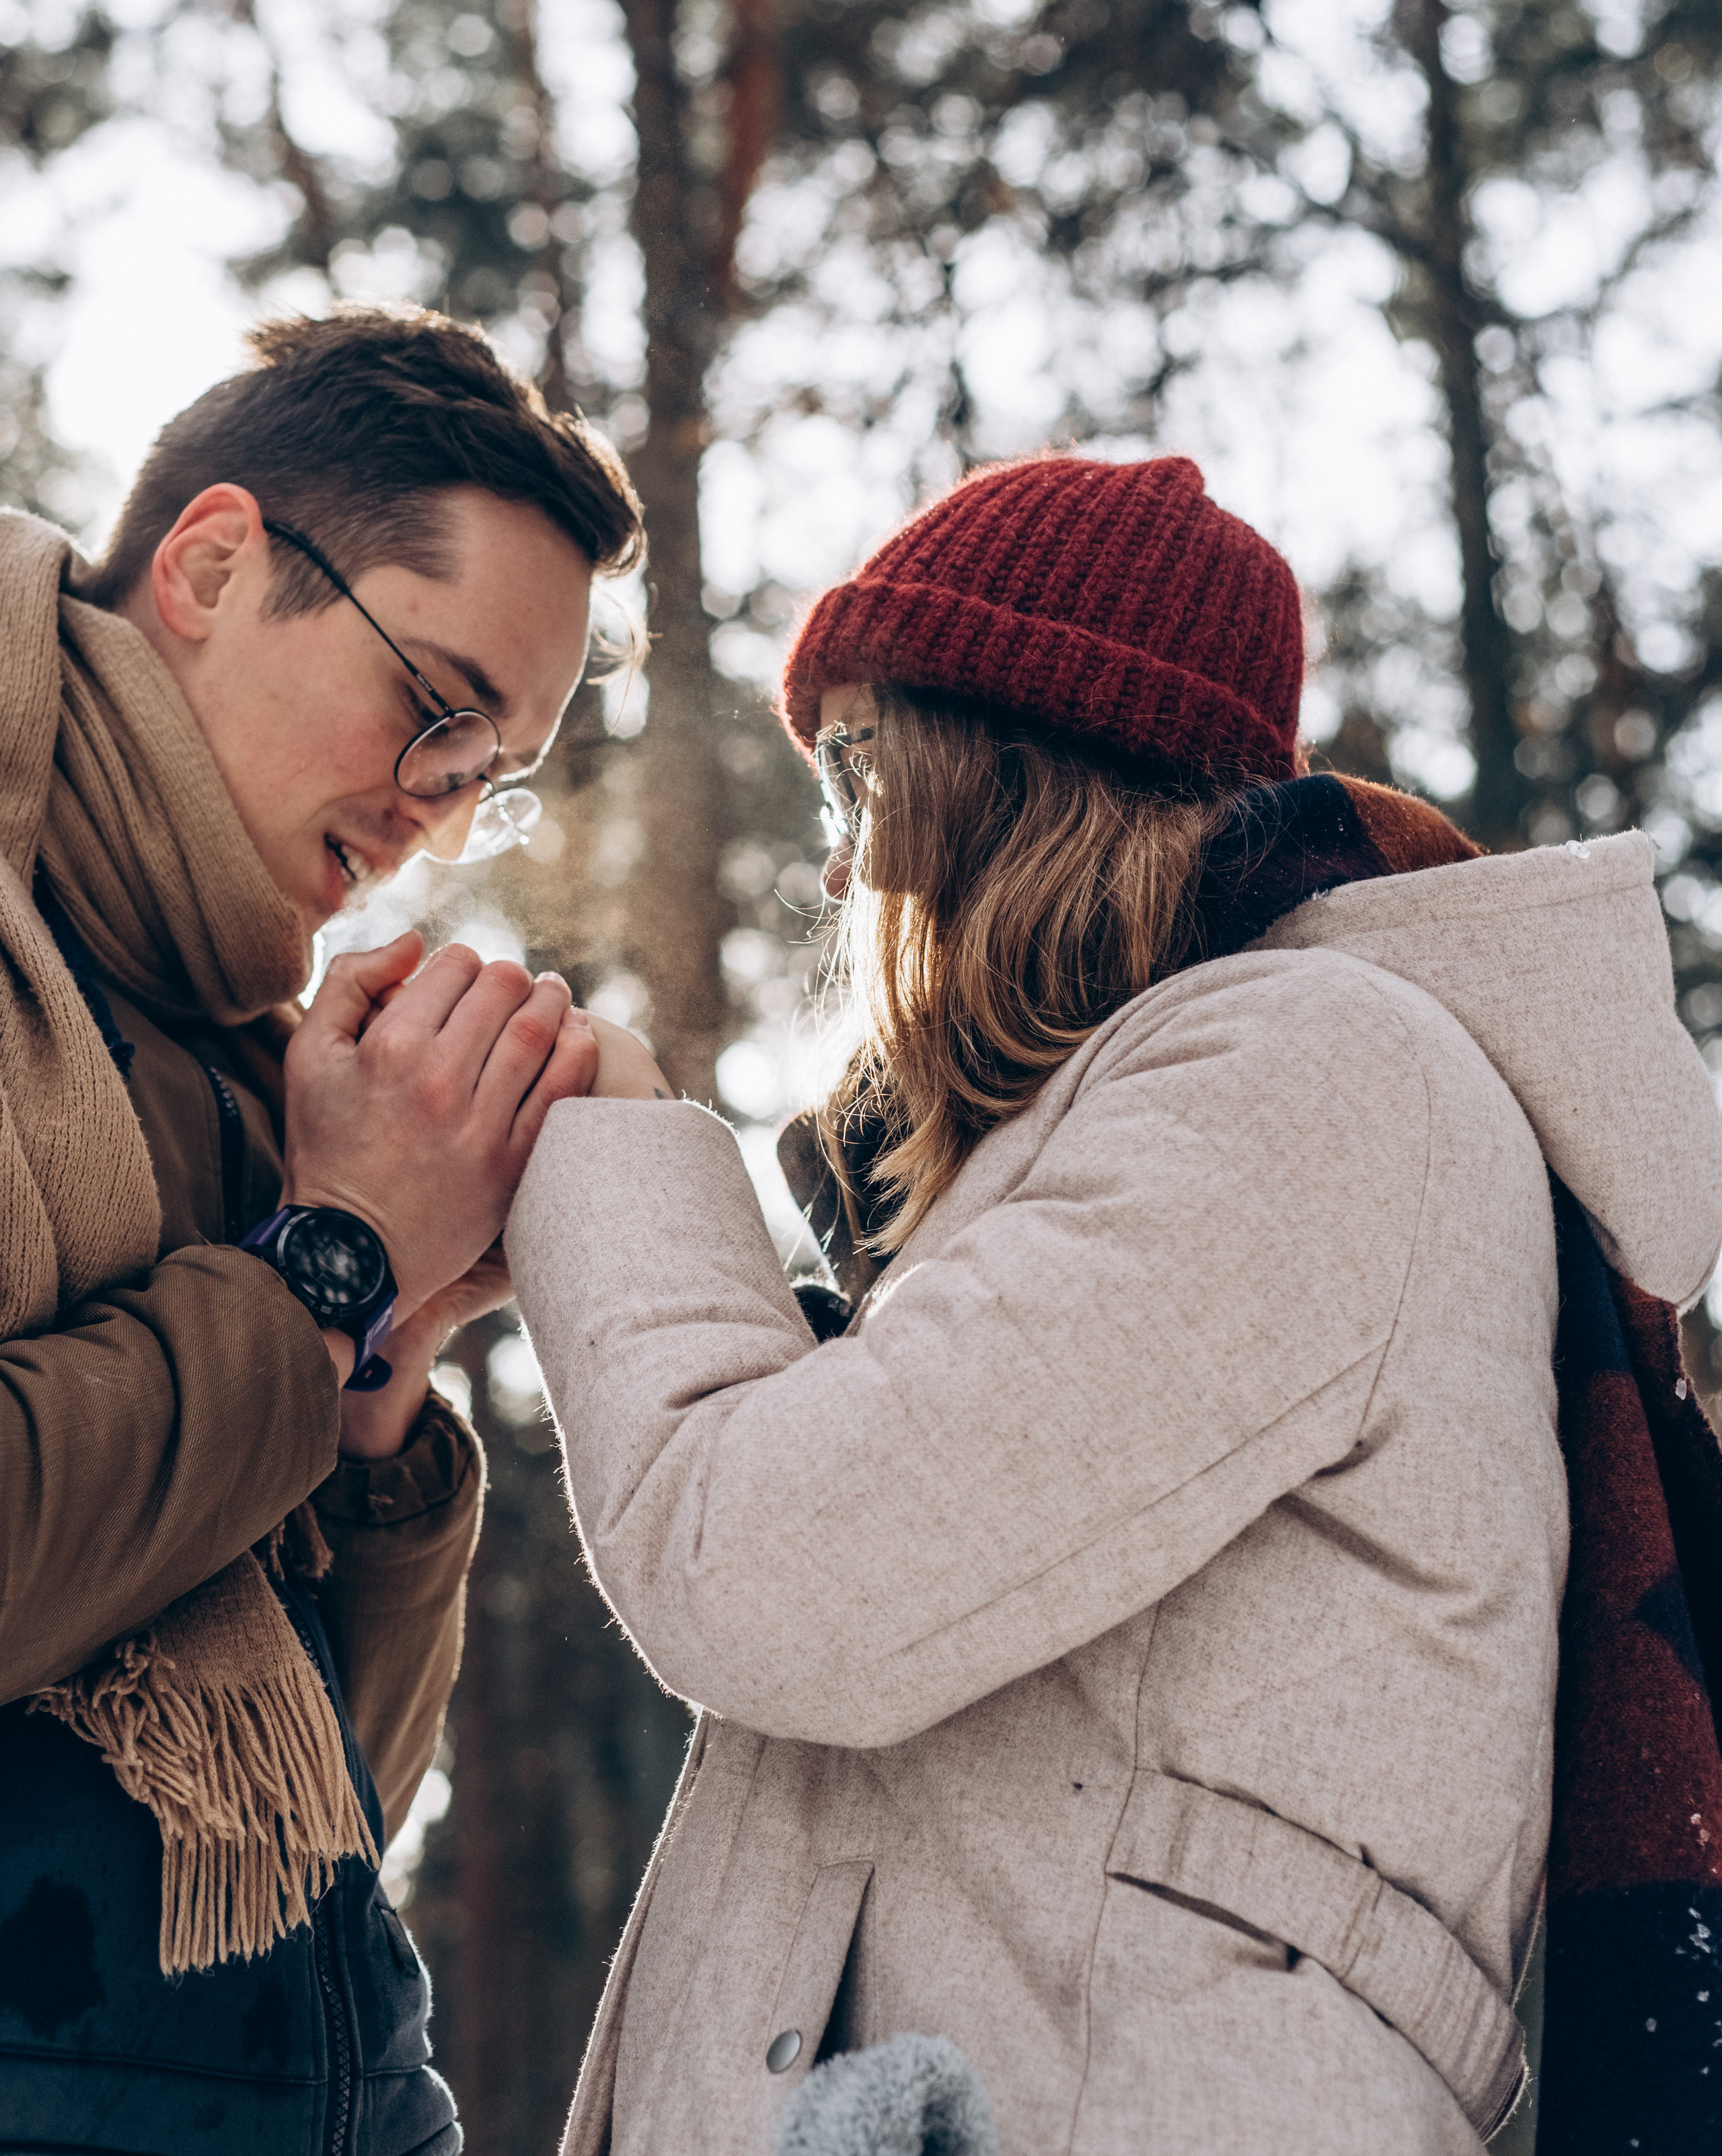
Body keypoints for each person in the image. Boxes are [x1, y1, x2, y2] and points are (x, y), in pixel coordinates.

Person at [490, 453, 1722, 2156]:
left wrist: (605, 1147)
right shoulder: (1163, 1126)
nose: (838, 872)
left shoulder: (1312, 1073)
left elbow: (773, 1569)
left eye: (854, 767)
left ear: (1007, 760)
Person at [0, 306, 638, 2154]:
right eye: (436, 709)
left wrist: (377, 1372)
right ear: (214, 566)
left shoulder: (260, 1060)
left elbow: (331, 1822)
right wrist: (327, 1260)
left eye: (487, 774)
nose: (439, 815)